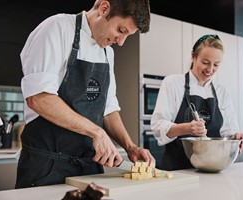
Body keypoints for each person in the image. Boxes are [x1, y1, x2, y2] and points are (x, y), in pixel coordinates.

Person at [16, 0, 155, 189]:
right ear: (104, 9)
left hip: (89, 168)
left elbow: (108, 108)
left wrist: (130, 147)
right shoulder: (57, 28)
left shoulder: (107, 53)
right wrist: (96, 131)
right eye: (121, 31)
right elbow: (39, 98)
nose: (121, 43)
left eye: (127, 36)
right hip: (46, 167)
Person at [151, 34, 243, 171]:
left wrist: (236, 136)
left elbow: (229, 132)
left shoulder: (221, 92)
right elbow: (157, 126)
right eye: (205, 62)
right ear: (193, 56)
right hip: (177, 170)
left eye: (216, 65)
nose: (210, 69)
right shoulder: (173, 83)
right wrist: (187, 128)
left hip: (212, 169)